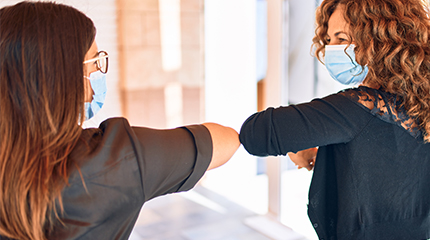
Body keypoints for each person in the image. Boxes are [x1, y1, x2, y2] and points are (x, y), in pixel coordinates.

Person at [0, 1, 239, 240]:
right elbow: (222, 142)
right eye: (94, 62)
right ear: (62, 78)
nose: (99, 73)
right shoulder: (110, 159)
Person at [240, 0, 430, 239]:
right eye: (329, 40)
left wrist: (296, 144)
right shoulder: (420, 103)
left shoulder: (355, 108)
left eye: (342, 39)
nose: (332, 49)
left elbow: (255, 132)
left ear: (379, 40)